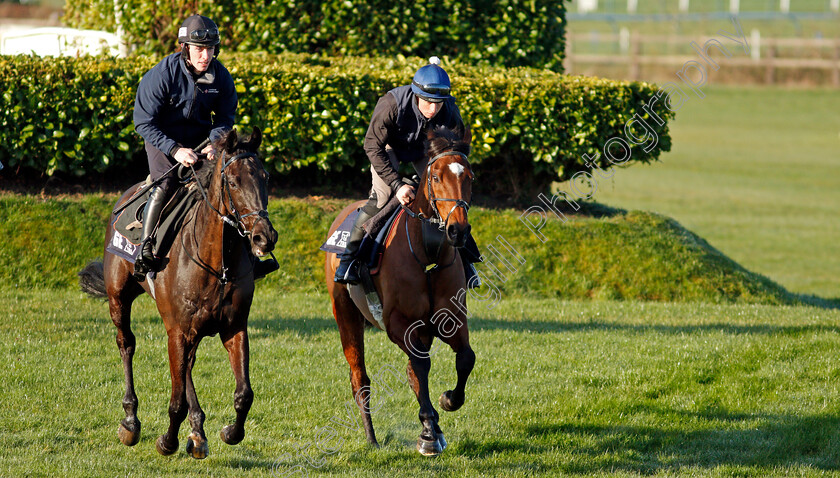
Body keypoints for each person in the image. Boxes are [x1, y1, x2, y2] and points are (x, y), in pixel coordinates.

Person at [334, 57, 481, 287]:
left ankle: (467, 261)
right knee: (382, 198)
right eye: (428, 102)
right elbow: (372, 146)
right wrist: (397, 184)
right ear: (415, 94)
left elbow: (455, 152)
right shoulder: (391, 104)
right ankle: (349, 258)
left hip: (426, 150)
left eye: (439, 103)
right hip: (389, 148)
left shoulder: (449, 109)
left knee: (449, 195)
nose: (433, 109)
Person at [132, 14, 236, 278]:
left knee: (228, 183)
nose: (206, 55)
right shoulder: (162, 75)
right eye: (200, 49)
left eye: (210, 49)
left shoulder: (221, 77)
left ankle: (245, 254)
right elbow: (143, 123)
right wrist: (175, 150)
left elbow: (225, 119)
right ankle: (146, 248)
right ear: (186, 48)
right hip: (162, 140)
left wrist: (214, 143)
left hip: (201, 143)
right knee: (166, 184)